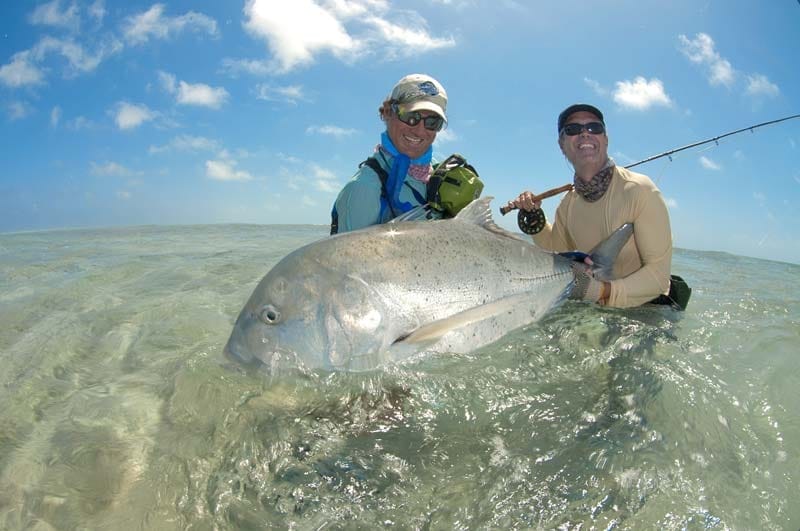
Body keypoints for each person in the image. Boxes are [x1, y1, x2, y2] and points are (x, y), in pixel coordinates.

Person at [505, 103, 673, 308]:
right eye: (573, 129)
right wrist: (534, 219)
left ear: (606, 139)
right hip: (594, 308)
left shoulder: (640, 190)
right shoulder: (568, 204)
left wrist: (601, 291)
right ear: (561, 144)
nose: (585, 133)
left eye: (594, 127)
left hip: (647, 311)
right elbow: (555, 249)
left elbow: (659, 277)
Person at [330, 73, 449, 234]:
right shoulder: (363, 189)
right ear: (387, 112)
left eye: (432, 122)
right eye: (411, 117)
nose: (420, 131)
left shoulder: (443, 174)